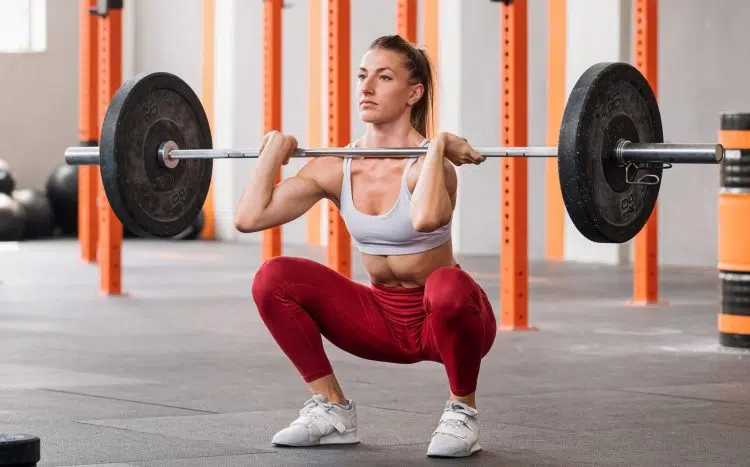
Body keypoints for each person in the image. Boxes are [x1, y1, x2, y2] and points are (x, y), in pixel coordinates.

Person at [235, 34, 496, 458]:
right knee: (274, 277)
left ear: (414, 93)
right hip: (379, 321)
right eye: (362, 76)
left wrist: (438, 146)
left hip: (446, 323)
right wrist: (272, 153)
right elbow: (250, 219)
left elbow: (427, 218)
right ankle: (332, 410)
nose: (366, 87)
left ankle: (462, 412)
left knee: (448, 285)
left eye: (383, 76)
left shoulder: (429, 166)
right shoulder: (337, 166)